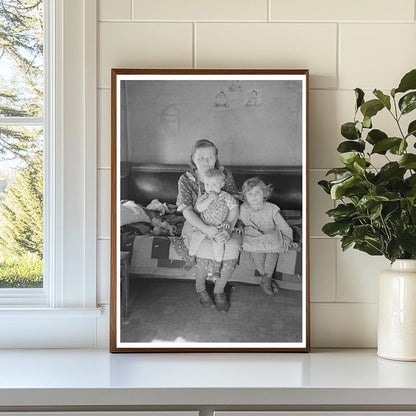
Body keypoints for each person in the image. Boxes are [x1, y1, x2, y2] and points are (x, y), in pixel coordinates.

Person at [176, 139, 241, 313]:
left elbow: (234, 205)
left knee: (232, 245)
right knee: (202, 244)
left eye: (210, 156)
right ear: (193, 158)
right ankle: (200, 288)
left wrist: (228, 227)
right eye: (201, 157)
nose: (206, 161)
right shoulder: (186, 179)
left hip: (223, 221)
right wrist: (205, 228)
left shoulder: (224, 174)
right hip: (196, 222)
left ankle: (219, 290)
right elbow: (187, 210)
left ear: (216, 158)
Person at [239, 177, 294, 295]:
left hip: (270, 234)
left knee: (273, 251)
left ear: (264, 193)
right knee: (256, 252)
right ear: (245, 196)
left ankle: (266, 278)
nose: (254, 196)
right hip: (253, 235)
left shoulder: (271, 208)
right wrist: (239, 226)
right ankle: (267, 280)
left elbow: (281, 224)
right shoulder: (243, 208)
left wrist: (288, 238)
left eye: (257, 192)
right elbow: (239, 221)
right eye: (250, 193)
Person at [189, 168, 239, 278]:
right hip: (204, 225)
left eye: (214, 185)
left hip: (219, 227)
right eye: (207, 185)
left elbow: (234, 208)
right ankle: (191, 257)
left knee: (219, 241)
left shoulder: (226, 196)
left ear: (222, 184)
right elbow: (200, 208)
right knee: (196, 236)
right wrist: (209, 199)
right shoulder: (204, 196)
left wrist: (229, 221)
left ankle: (217, 264)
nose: (210, 188)